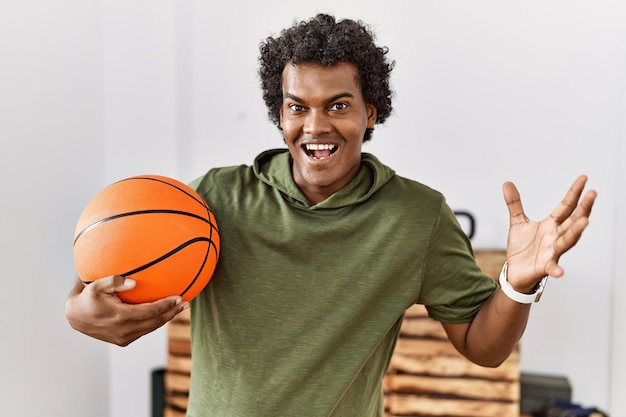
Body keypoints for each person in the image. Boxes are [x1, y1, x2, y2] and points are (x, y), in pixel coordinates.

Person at [65, 13, 597, 417]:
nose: (315, 126)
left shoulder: (416, 218)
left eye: (338, 105)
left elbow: (484, 348)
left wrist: (517, 283)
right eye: (298, 106)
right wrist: (76, 308)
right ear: (280, 113)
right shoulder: (212, 201)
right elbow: (108, 269)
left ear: (371, 112)